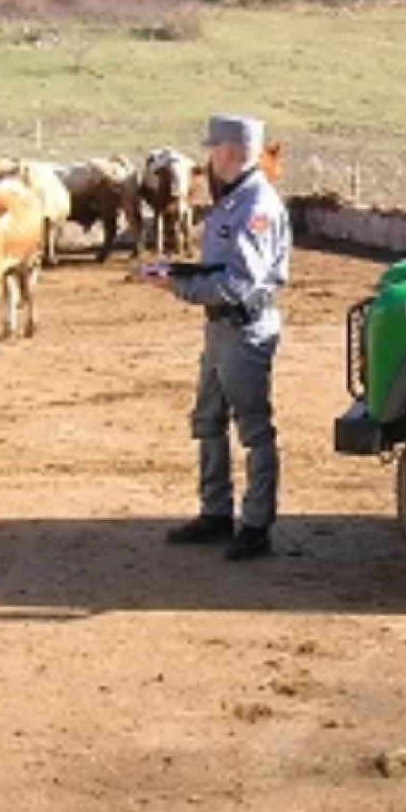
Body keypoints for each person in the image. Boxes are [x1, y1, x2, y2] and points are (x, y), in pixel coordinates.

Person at [144, 113, 292, 560]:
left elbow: (238, 283)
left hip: (243, 327)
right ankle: (216, 513)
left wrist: (177, 286)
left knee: (253, 429)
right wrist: (180, 271)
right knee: (208, 419)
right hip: (220, 326)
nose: (208, 157)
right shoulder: (233, 201)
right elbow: (218, 270)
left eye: (213, 149)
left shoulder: (255, 207)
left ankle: (256, 525)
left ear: (228, 152)